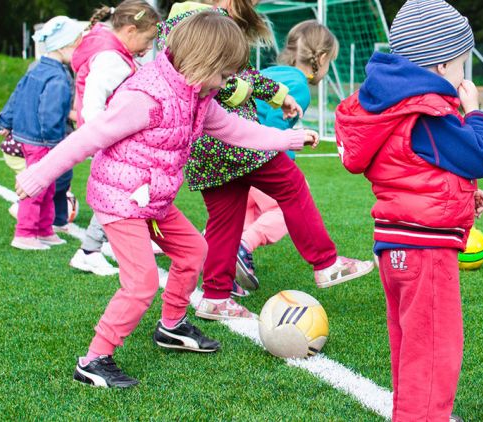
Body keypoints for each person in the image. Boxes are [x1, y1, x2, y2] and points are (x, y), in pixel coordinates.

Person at [14, 11, 318, 388]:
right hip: (121, 200)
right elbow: (89, 137)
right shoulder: (146, 96)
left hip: (153, 200)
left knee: (194, 251)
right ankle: (93, 360)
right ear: (203, 62)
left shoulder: (198, 95)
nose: (227, 84)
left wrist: (287, 139)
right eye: (224, 75)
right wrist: (38, 175)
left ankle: (171, 326)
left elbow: (234, 129)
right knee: (141, 283)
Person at [160, 1, 373, 322]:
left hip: (203, 146)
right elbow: (227, 78)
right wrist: (267, 95)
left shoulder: (174, 29)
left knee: (224, 220)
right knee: (291, 185)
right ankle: (326, 263)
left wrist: (275, 95)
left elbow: (219, 77)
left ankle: (215, 296)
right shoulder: (210, 20)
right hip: (233, 137)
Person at [334, 0, 483, 419]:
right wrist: (475, 113)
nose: (463, 76)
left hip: (396, 245)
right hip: (426, 251)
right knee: (435, 353)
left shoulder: (391, 105)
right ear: (440, 65)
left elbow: (414, 168)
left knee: (411, 347)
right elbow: (478, 157)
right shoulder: (427, 112)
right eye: (461, 65)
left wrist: (463, 195)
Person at [230, 20, 340, 296]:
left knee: (245, 212)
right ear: (322, 58)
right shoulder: (299, 86)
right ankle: (244, 245)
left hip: (235, 155)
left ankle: (228, 267)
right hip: (261, 159)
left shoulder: (269, 72)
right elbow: (274, 128)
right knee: (286, 207)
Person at [67, 0, 162, 277]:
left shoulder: (110, 50)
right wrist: (104, 136)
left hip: (111, 137)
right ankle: (89, 251)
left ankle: (101, 247)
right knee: (119, 194)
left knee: (125, 192)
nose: (147, 48)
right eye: (147, 40)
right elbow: (94, 104)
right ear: (131, 30)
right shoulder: (111, 59)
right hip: (110, 139)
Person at [0, 16, 85, 250]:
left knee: (48, 186)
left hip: (31, 137)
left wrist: (5, 119)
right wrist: (55, 143)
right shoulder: (57, 76)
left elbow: (17, 93)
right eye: (77, 46)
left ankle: (44, 230)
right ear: (65, 46)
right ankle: (25, 233)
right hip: (43, 141)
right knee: (37, 186)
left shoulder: (37, 68)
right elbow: (50, 112)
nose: (79, 52)